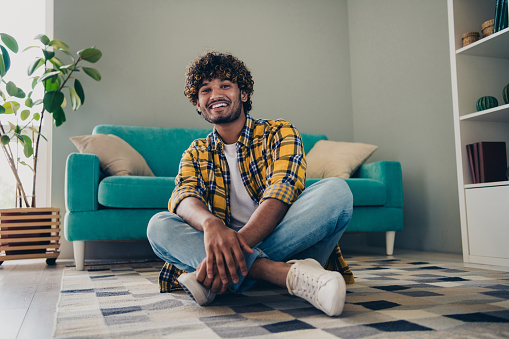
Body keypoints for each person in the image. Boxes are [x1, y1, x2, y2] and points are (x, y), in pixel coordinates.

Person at [147, 51, 353, 316]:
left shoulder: (280, 132)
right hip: (237, 242)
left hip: (288, 236)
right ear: (198, 104)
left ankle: (217, 275)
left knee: (336, 192)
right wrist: (212, 226)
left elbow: (281, 193)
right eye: (205, 90)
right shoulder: (195, 152)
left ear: (242, 93)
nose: (215, 95)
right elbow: (184, 195)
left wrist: (231, 247)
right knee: (159, 226)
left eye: (225, 85)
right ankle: (283, 273)